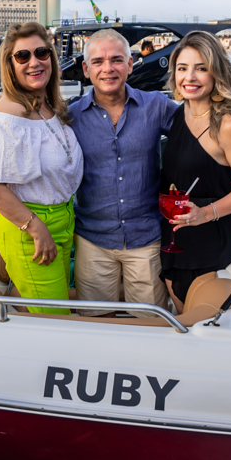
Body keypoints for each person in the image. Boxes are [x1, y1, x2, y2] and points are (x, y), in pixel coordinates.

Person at [69, 29, 179, 317]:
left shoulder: (156, 106)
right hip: (92, 240)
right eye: (98, 61)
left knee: (150, 322)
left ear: (130, 64)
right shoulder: (69, 117)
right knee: (95, 322)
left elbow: (199, 130)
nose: (108, 68)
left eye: (117, 60)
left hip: (147, 239)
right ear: (86, 68)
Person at [0, 22, 83, 314]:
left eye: (41, 52)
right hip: (31, 228)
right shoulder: (7, 118)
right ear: (10, 65)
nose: (34, 62)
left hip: (64, 220)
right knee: (54, 320)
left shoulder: (48, 106)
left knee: (43, 312)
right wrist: (36, 229)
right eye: (22, 56)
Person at [160, 31, 231, 312]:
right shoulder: (178, 114)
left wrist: (205, 213)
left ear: (216, 73)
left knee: (201, 332)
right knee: (181, 324)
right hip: (176, 243)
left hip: (213, 248)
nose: (189, 77)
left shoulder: (229, 125)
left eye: (201, 68)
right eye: (183, 68)